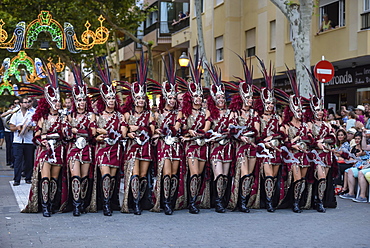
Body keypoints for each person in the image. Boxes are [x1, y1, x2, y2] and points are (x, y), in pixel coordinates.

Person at [22, 67, 65, 217]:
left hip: (58, 150)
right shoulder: (43, 118)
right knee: (45, 178)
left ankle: (52, 204)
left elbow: (65, 134)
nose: (57, 103)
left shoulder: (63, 117)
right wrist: (43, 141)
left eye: (58, 101)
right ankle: (45, 206)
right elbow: (37, 135)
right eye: (54, 101)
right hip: (45, 150)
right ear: (48, 102)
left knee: (54, 179)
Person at [121, 55, 154, 215]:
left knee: (142, 175)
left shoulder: (150, 114)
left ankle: (141, 200)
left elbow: (152, 130)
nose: (141, 100)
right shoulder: (127, 114)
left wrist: (138, 127)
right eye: (138, 98)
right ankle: (134, 204)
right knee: (134, 174)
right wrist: (130, 131)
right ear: (133, 99)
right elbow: (124, 132)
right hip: (133, 147)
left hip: (146, 147)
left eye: (143, 98)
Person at [150, 54, 182, 215]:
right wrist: (156, 132)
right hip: (164, 146)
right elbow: (154, 130)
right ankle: (164, 202)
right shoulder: (158, 114)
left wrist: (163, 131)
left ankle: (171, 200)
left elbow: (175, 128)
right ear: (165, 98)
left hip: (175, 144)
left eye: (174, 97)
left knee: (175, 174)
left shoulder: (180, 113)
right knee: (166, 173)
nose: (172, 100)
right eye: (169, 97)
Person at [94, 58, 126, 216]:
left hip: (116, 149)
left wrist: (106, 131)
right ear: (104, 100)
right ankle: (105, 205)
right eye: (108, 98)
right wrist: (102, 134)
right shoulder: (98, 115)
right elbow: (93, 132)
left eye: (113, 98)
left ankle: (110, 201)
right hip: (103, 149)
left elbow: (123, 133)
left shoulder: (120, 116)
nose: (111, 101)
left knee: (113, 178)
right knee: (105, 176)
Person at [227, 59, 259, 213]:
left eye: (251, 98)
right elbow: (231, 129)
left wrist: (249, 134)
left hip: (251, 146)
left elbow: (256, 130)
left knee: (249, 175)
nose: (250, 100)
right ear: (241, 98)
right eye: (247, 98)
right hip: (240, 146)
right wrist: (241, 136)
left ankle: (244, 200)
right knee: (244, 173)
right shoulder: (235, 112)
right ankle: (238, 200)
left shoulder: (255, 113)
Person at [64, 65, 96, 216]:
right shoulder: (69, 116)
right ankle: (76, 205)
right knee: (75, 177)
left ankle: (82, 203)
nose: (81, 103)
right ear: (74, 102)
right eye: (78, 100)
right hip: (73, 149)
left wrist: (78, 131)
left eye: (83, 100)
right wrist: (71, 132)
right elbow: (65, 133)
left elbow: (92, 133)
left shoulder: (91, 116)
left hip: (87, 149)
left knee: (84, 178)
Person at [181, 54, 210, 214]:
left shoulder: (206, 112)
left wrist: (196, 132)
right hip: (191, 145)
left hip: (202, 144)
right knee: (193, 173)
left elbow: (206, 129)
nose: (198, 98)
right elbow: (180, 127)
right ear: (190, 98)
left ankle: (195, 200)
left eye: (200, 96)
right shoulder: (185, 112)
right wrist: (188, 131)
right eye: (195, 96)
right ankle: (191, 202)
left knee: (199, 174)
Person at [205, 63, 233, 213]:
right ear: (214, 99)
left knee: (226, 176)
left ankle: (222, 199)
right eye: (218, 97)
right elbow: (205, 131)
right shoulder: (210, 113)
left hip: (227, 146)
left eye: (223, 97)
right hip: (216, 146)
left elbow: (234, 129)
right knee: (219, 174)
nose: (221, 99)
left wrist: (230, 131)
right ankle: (217, 202)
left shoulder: (230, 113)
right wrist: (213, 135)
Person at [282, 74, 311, 213]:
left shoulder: (306, 125)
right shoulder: (286, 126)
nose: (300, 112)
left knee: (302, 180)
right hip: (292, 156)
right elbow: (285, 142)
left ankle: (298, 201)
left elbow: (310, 139)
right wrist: (294, 143)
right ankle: (294, 204)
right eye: (298, 110)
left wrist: (306, 140)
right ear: (292, 111)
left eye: (301, 110)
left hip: (304, 154)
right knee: (297, 179)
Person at [9, 97, 35, 186]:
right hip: (18, 141)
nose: (27, 104)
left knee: (29, 160)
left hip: (28, 140)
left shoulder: (32, 114)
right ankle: (17, 179)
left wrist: (29, 128)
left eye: (28, 102)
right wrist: (17, 127)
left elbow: (36, 126)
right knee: (18, 161)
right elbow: (11, 127)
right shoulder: (16, 115)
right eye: (25, 102)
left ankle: (28, 178)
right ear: (20, 104)